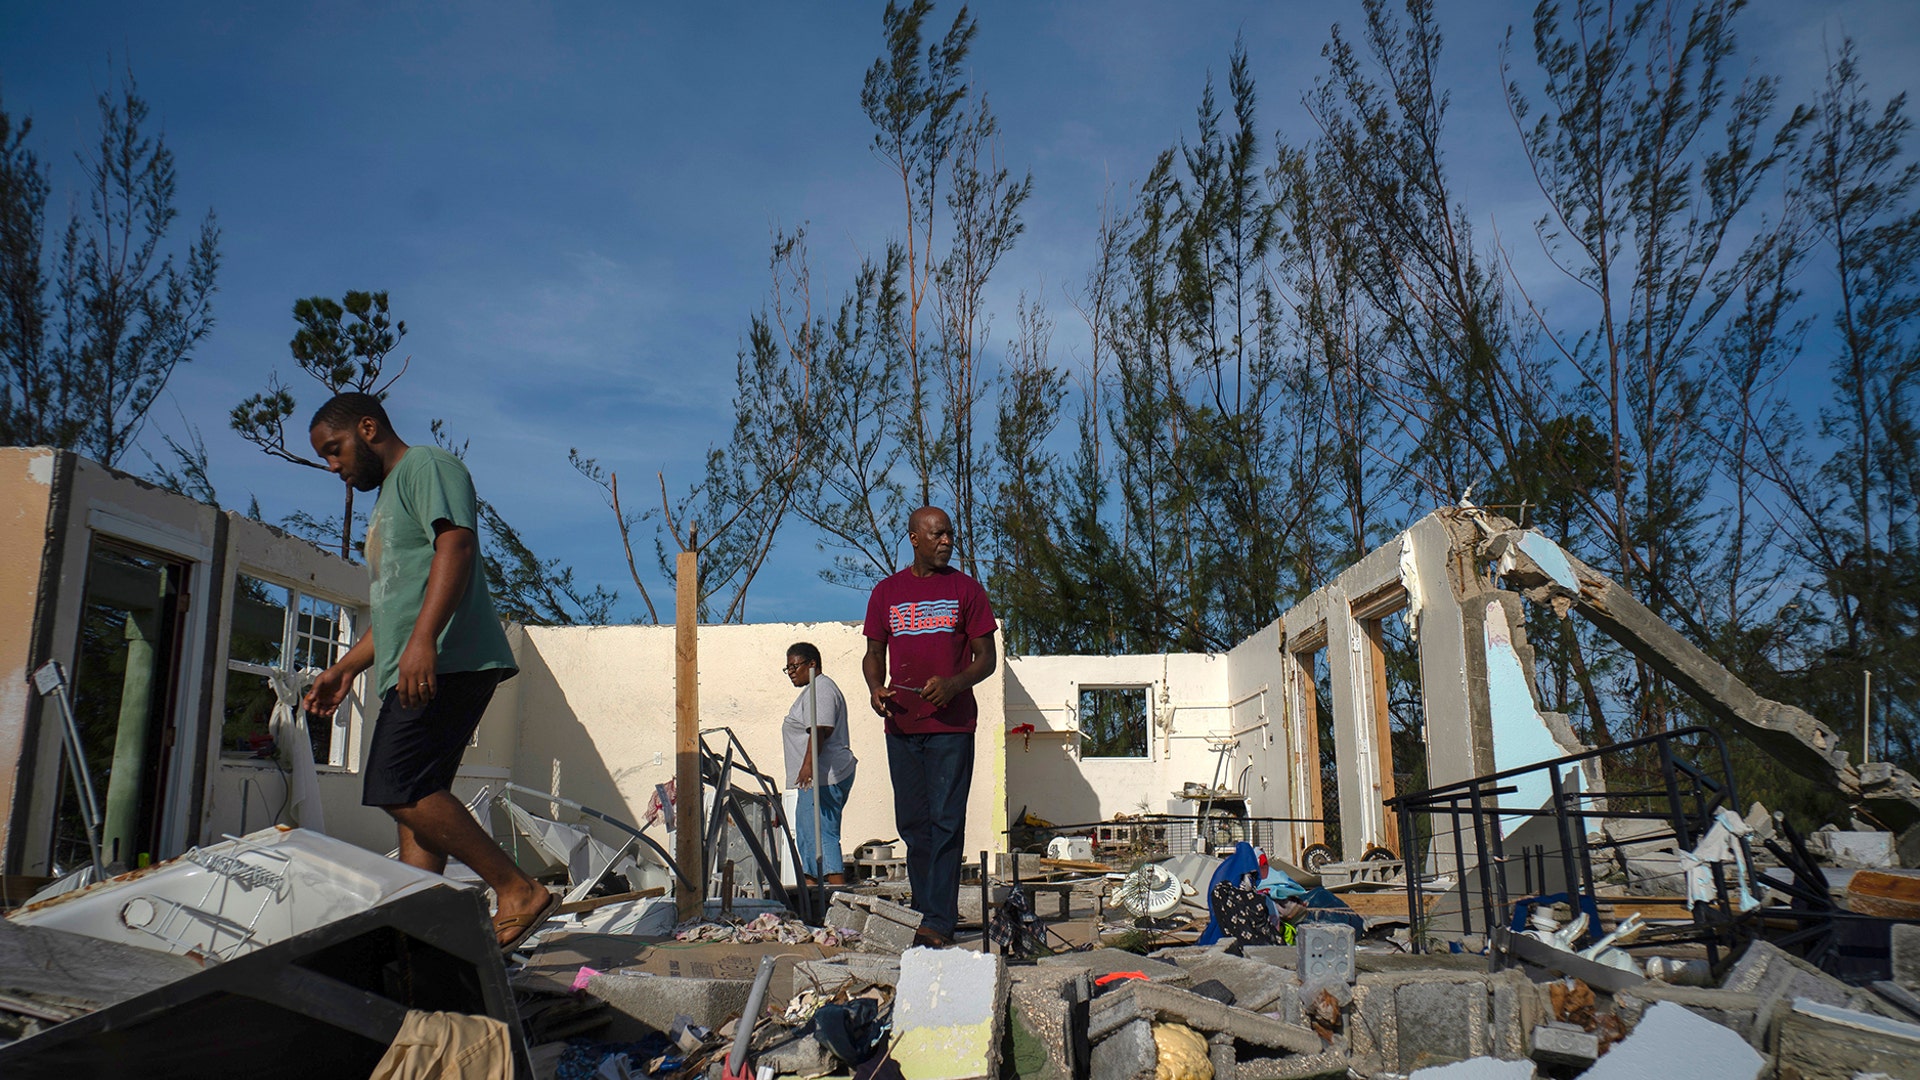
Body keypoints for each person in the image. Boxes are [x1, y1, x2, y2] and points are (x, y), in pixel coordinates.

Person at [300, 392, 556, 952]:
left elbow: (457, 545)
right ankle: (419, 932)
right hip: (419, 662)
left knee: (398, 785)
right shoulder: (388, 499)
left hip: (450, 658)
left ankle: (517, 890)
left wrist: (423, 643)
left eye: (334, 450)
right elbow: (397, 606)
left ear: (368, 428)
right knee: (419, 805)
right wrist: (345, 667)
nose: (332, 466)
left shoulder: (428, 467)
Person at [862, 506, 997, 947]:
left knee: (945, 821)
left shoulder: (966, 589)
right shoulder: (886, 592)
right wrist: (874, 687)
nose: (946, 542)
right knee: (914, 824)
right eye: (936, 535)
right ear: (914, 539)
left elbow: (986, 658)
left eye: (949, 535)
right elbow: (873, 653)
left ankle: (938, 920)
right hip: (902, 726)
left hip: (951, 728)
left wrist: (955, 684)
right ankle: (925, 914)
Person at [780, 642, 857, 887]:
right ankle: (812, 898)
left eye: (795, 666)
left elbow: (819, 730)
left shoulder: (821, 689)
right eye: (788, 668)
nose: (791, 672)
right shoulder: (811, 690)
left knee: (822, 835)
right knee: (807, 837)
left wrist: (808, 766)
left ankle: (834, 897)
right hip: (814, 779)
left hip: (823, 776)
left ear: (812, 664)